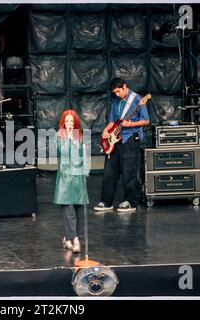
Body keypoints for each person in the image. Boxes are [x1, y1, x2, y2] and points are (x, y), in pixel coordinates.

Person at [94, 77, 150, 213]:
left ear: (125, 86)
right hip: (116, 140)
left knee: (129, 172)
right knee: (109, 172)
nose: (117, 94)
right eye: (115, 93)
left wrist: (131, 124)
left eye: (118, 91)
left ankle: (130, 202)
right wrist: (106, 131)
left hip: (130, 139)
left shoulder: (138, 100)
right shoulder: (116, 101)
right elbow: (113, 121)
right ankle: (106, 202)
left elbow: (146, 120)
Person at [53, 110, 89, 253]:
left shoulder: (79, 136)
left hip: (78, 177)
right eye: (67, 121)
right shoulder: (59, 136)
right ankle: (75, 239)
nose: (69, 124)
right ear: (63, 122)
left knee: (78, 210)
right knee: (68, 210)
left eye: (71, 121)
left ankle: (68, 238)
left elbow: (82, 155)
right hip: (65, 177)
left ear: (75, 123)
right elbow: (62, 153)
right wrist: (68, 137)